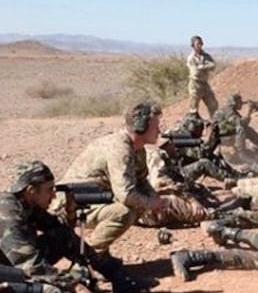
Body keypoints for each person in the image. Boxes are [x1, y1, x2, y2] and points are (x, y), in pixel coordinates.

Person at [0, 161, 166, 293]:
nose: (53, 195)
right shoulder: (6, 215)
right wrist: (76, 287)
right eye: (49, 190)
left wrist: (71, 211)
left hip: (11, 264)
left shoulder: (24, 203)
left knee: (63, 237)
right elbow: (33, 266)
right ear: (31, 191)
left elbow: (59, 230)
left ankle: (118, 277)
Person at [53, 101, 208, 258]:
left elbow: (142, 181)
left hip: (94, 198)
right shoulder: (120, 149)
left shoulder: (137, 149)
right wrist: (151, 203)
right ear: (141, 127)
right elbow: (125, 194)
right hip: (71, 203)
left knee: (138, 204)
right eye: (155, 126)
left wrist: (155, 199)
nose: (159, 130)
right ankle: (89, 256)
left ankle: (100, 255)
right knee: (124, 212)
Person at [212, 93, 258, 162]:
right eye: (240, 102)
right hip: (220, 138)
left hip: (223, 134)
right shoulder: (229, 112)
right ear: (234, 103)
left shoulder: (228, 110)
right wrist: (249, 112)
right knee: (241, 129)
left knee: (246, 129)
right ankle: (242, 154)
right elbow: (241, 124)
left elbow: (238, 124)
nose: (241, 104)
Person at [186, 35, 218, 118]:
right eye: (198, 44)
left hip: (204, 84)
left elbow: (213, 65)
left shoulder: (206, 56)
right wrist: (205, 66)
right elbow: (195, 71)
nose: (200, 45)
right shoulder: (191, 58)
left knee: (213, 105)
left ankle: (214, 124)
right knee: (194, 107)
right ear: (193, 45)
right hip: (195, 84)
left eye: (201, 43)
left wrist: (202, 67)